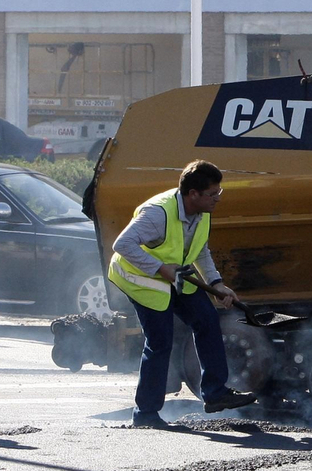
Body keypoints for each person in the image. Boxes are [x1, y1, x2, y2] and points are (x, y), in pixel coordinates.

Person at [108, 159, 255, 427]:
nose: (217, 199)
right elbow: (122, 244)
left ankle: (214, 393)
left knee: (207, 320)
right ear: (192, 194)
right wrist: (159, 268)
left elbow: (200, 250)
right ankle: (146, 415)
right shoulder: (158, 213)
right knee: (160, 340)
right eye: (213, 194)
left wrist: (217, 283)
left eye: (218, 193)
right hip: (140, 280)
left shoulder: (202, 213)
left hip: (174, 276)